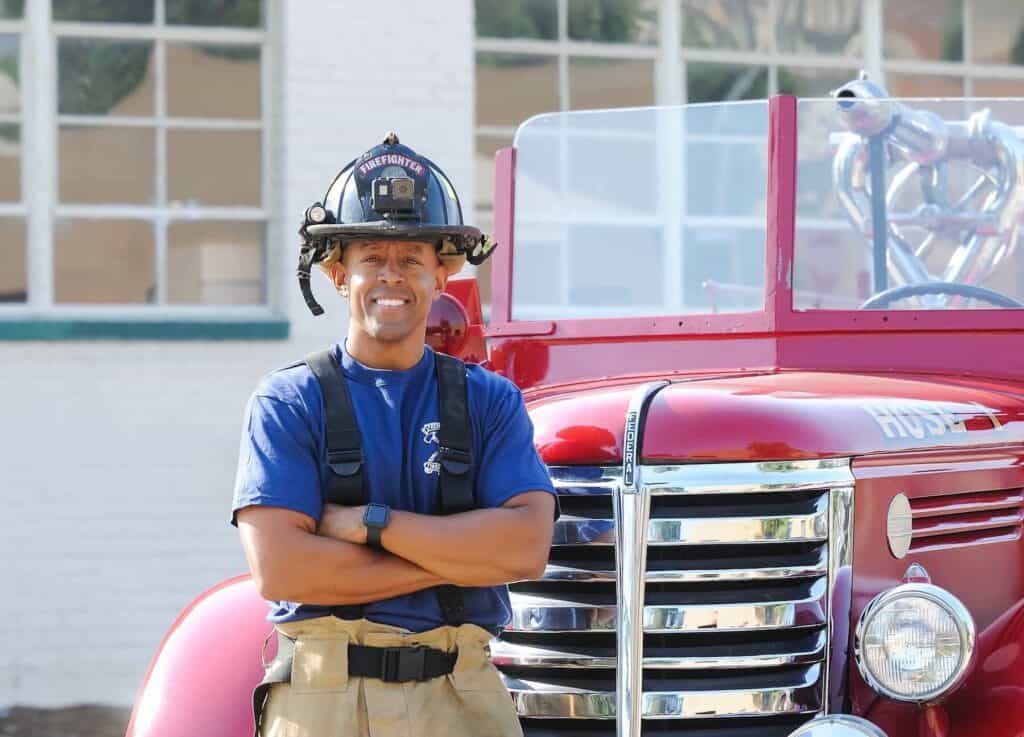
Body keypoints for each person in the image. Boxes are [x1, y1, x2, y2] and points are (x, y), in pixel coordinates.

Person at [231, 133, 557, 737]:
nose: (392, 276)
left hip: (462, 697)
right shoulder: (289, 402)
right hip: (323, 701)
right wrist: (460, 560)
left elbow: (526, 550)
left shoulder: (490, 401)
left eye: (411, 259)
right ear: (338, 273)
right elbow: (283, 570)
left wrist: (370, 525)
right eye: (371, 258)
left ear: (443, 273)